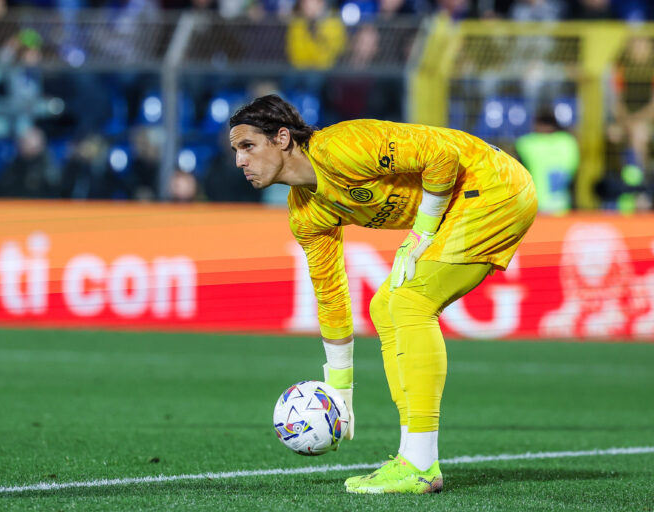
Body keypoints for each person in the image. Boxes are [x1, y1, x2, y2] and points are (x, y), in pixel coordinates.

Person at [228, 95, 537, 494]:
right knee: (385, 305)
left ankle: (421, 465)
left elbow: (442, 155)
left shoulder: (341, 147)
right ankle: (412, 456)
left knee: (410, 302)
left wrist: (422, 230)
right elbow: (332, 295)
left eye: (248, 146)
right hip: (462, 205)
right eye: (236, 150)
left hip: (493, 187)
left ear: (282, 138)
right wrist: (340, 394)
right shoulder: (306, 213)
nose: (239, 161)